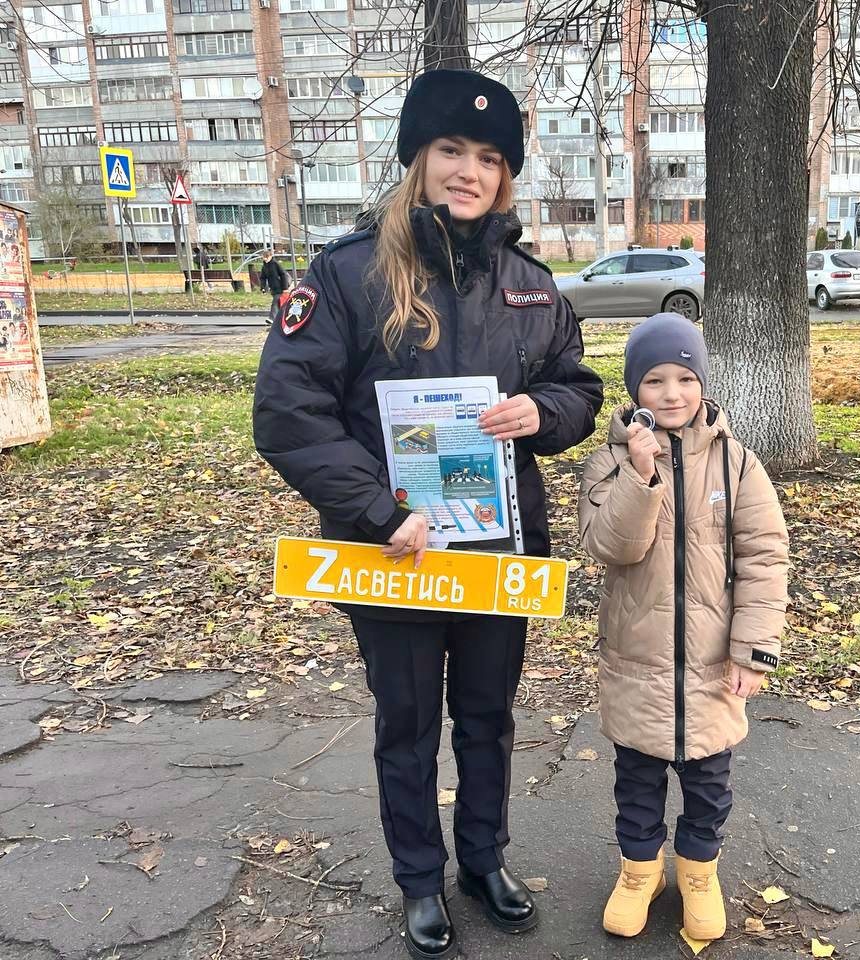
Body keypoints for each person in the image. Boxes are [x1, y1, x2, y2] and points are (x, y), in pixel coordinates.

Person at [253, 69, 604, 960]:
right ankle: (420, 878)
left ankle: (483, 860)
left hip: (495, 551)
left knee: (487, 720)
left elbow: (580, 387)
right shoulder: (347, 275)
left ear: (505, 174)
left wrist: (541, 413)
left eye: (489, 157)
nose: (469, 171)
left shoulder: (531, 286)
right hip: (394, 555)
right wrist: (378, 513)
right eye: (451, 149)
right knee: (406, 728)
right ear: (419, 157)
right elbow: (289, 414)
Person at [577, 313, 790, 943]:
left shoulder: (737, 463)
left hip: (713, 666)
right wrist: (641, 477)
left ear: (702, 384)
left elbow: (764, 557)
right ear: (634, 390)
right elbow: (610, 547)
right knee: (636, 785)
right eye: (655, 380)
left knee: (709, 786)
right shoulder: (609, 464)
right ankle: (639, 874)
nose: (672, 393)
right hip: (635, 664)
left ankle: (698, 874)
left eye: (685, 378)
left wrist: (754, 650)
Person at [259, 248, 290, 326]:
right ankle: (283, 319)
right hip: (273, 288)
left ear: (270, 256)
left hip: (280, 287)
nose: (265, 258)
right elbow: (263, 277)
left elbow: (283, 274)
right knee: (280, 304)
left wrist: (285, 288)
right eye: (264, 257)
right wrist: (263, 287)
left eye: (267, 257)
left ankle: (272, 318)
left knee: (275, 303)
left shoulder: (275, 264)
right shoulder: (265, 266)